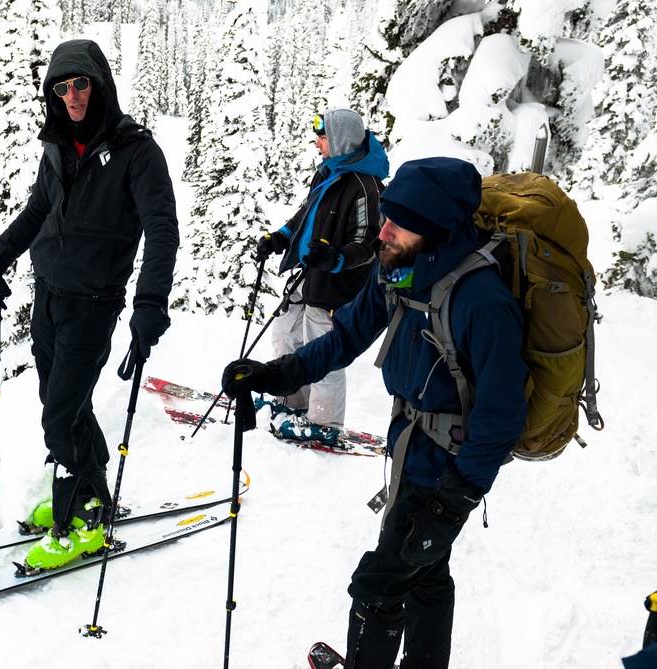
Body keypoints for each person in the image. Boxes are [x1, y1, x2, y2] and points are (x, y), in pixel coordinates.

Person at [222, 157, 528, 669]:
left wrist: (453, 501)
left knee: (376, 587)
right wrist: (274, 375)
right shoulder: (400, 272)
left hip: (444, 469)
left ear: (433, 229)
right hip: (410, 450)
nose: (382, 231)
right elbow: (344, 337)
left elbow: (502, 414)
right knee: (427, 575)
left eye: (397, 222)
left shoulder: (482, 300)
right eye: (385, 216)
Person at [0, 39, 179, 571]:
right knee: (63, 403)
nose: (72, 96)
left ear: (100, 84)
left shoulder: (138, 151)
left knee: (60, 415)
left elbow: (162, 230)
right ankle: (93, 494)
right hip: (48, 296)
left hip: (95, 302)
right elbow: (36, 210)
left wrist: (150, 303)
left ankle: (80, 520)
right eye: (62, 87)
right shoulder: (59, 146)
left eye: (80, 83)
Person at [254, 108, 387, 444]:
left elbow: (371, 243)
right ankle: (293, 401)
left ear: (340, 139)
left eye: (322, 137)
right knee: (284, 334)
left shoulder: (366, 186)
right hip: (310, 276)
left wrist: (336, 259)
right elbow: (306, 214)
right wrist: (281, 237)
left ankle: (324, 423)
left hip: (336, 286)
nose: (317, 144)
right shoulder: (329, 172)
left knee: (324, 351)